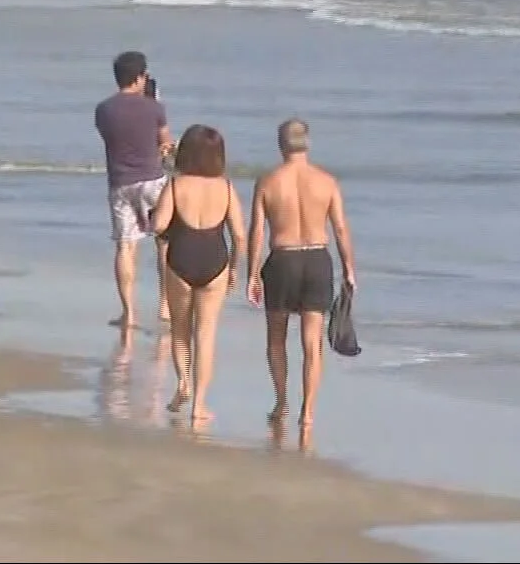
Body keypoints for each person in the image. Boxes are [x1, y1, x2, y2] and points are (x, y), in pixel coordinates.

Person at [247, 118, 356, 432]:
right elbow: (340, 229)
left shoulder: (268, 182)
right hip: (317, 260)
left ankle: (281, 400)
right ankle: (307, 412)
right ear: (307, 144)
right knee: (312, 343)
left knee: (276, 339)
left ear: (281, 145)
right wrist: (349, 269)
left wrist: (253, 273)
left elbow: (257, 231)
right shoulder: (327, 182)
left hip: (282, 260)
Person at [147, 124, 244, 425]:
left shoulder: (176, 185)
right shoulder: (226, 188)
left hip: (181, 258)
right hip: (215, 261)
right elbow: (240, 235)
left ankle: (183, 383)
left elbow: (159, 226)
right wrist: (235, 270)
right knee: (206, 332)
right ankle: (200, 403)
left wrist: (153, 214)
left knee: (180, 328)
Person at [94, 51, 174, 329]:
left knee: (125, 246)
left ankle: (129, 313)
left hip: (121, 182)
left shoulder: (103, 110)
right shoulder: (154, 108)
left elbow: (110, 138)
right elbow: (165, 144)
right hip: (152, 180)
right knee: (164, 243)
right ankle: (165, 305)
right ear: (140, 78)